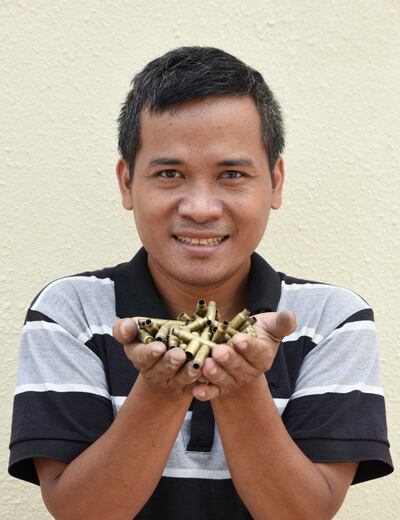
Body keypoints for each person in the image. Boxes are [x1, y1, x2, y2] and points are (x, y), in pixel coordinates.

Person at [9, 46, 393, 519]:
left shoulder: (332, 320)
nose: (201, 208)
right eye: (170, 173)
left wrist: (240, 386)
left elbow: (303, 514)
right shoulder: (71, 311)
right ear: (127, 182)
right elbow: (81, 513)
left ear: (275, 182)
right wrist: (161, 391)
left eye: (231, 174)